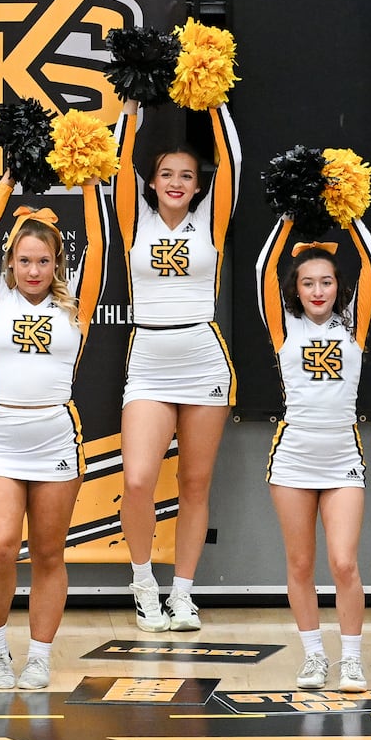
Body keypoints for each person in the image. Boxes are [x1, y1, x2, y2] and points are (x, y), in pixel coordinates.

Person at [0, 167, 109, 690]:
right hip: (1, 435)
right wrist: (8, 180)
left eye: (43, 261)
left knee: (49, 553)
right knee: (1, 545)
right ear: (10, 261)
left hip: (56, 436)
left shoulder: (75, 308)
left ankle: (40, 657)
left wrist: (92, 183)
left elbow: (99, 242)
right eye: (25, 260)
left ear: (57, 265)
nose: (33, 270)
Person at [115, 99, 240, 632]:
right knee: (139, 480)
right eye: (166, 173)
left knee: (195, 484)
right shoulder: (133, 220)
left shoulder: (209, 220)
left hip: (204, 360)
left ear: (197, 186)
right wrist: (128, 113)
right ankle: (144, 584)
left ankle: (183, 593)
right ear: (152, 182)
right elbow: (120, 163)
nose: (176, 181)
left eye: (187, 175)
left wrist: (215, 104)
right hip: (148, 361)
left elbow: (232, 162)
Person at [257, 218, 371, 690]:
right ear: (296, 289)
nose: (317, 290)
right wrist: (288, 218)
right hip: (292, 458)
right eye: (307, 283)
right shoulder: (283, 326)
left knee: (345, 561)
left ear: (339, 287)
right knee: (300, 564)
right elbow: (262, 268)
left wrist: (349, 216)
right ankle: (314, 656)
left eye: (326, 281)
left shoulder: (355, 326)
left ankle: (351, 657)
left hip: (342, 458)